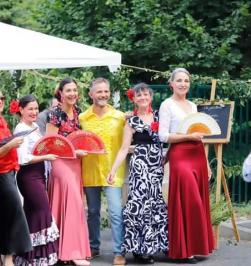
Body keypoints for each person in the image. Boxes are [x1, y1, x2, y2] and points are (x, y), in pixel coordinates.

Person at [108, 83, 168, 264]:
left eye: (145, 94)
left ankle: (153, 246)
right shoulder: (131, 121)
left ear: (151, 96)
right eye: (138, 95)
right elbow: (124, 148)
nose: (142, 97)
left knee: (155, 203)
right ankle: (140, 250)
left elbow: (169, 139)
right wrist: (113, 170)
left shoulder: (160, 116)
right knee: (139, 205)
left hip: (156, 166)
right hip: (140, 167)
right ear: (133, 99)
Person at [159, 68, 214, 263]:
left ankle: (197, 247)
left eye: (186, 81)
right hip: (180, 155)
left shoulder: (192, 105)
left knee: (198, 202)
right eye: (179, 80)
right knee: (190, 201)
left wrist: (206, 163)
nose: (183, 84)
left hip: (197, 155)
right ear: (171, 84)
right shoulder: (167, 105)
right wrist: (188, 136)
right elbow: (163, 136)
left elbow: (200, 135)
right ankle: (184, 249)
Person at [0, 86, 32, 266]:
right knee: (14, 212)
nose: (0, 101)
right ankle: (8, 256)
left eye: (2, 98)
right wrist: (11, 145)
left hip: (8, 173)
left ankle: (4, 256)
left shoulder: (0, 120)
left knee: (4, 215)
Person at [79, 78, 126, 265]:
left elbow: (126, 144)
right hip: (90, 171)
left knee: (115, 211)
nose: (103, 95)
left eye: (106, 91)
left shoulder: (120, 117)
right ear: (91, 94)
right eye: (99, 92)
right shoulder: (82, 118)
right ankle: (94, 246)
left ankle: (119, 251)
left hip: (112, 171)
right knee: (92, 211)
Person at [46, 77, 91, 266]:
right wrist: (73, 151)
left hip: (75, 163)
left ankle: (62, 250)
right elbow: (49, 143)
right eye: (68, 90)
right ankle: (71, 252)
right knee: (71, 201)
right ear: (61, 94)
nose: (72, 93)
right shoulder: (54, 114)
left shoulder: (78, 112)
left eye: (75, 90)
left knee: (75, 203)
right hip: (60, 162)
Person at [12, 94, 60, 266]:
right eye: (30, 109)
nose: (34, 112)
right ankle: (38, 257)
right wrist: (46, 156)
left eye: (36, 108)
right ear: (21, 110)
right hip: (29, 175)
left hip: (39, 175)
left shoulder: (34, 126)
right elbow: (23, 158)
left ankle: (31, 258)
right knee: (42, 212)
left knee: (33, 215)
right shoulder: (20, 129)